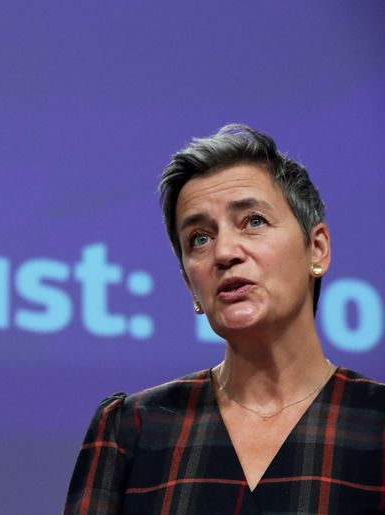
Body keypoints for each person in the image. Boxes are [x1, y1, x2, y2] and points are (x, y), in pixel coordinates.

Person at [64, 124, 385, 514]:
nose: (224, 252)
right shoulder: (133, 431)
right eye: (199, 238)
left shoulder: (375, 422)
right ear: (189, 286)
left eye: (252, 221)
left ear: (316, 248)